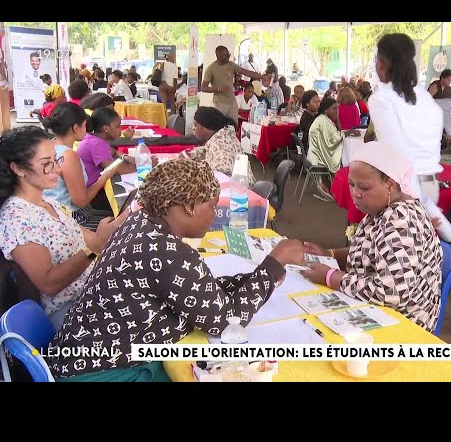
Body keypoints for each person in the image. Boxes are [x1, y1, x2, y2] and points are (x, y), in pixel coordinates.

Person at [47, 158, 305, 381]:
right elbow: (226, 322)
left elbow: (197, 291)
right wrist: (274, 262)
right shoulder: (168, 254)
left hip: (79, 354)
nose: (215, 214)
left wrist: (253, 279)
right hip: (103, 372)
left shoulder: (140, 222)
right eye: (212, 206)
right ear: (190, 206)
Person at [302, 141, 443, 331]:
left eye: (364, 188)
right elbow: (372, 250)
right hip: (376, 305)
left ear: (390, 185)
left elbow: (391, 292)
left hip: (402, 323)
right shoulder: (383, 207)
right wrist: (330, 254)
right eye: (351, 185)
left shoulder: (401, 221)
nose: (355, 194)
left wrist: (331, 277)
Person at [0, 126, 128, 330]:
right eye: (46, 164)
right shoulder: (17, 219)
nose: (57, 170)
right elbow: (49, 284)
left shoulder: (48, 202)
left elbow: (86, 236)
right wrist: (94, 248)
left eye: (55, 160)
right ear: (18, 169)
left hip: (93, 291)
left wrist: (123, 225)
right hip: (72, 313)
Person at [368, 33, 444, 204]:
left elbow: (396, 155)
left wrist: (420, 203)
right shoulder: (425, 97)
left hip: (405, 190)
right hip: (430, 186)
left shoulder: (382, 99)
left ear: (382, 63)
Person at [41, 103, 118, 227]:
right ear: (76, 128)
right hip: (72, 218)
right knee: (123, 222)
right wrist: (104, 176)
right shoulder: (69, 156)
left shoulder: (51, 145)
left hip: (54, 213)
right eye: (84, 125)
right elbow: (81, 200)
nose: (87, 130)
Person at [187, 106, 256, 186]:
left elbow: (222, 171)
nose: (193, 128)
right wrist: (191, 154)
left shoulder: (221, 144)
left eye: (195, 125)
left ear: (207, 127)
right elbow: (209, 152)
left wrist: (197, 170)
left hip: (239, 190)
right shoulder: (222, 136)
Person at [307, 98, 360, 200]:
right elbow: (333, 140)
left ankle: (329, 185)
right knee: (346, 159)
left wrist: (337, 119)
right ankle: (343, 189)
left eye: (337, 109)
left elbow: (337, 132)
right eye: (334, 109)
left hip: (314, 152)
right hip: (317, 156)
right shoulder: (323, 121)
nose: (336, 111)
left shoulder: (324, 119)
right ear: (326, 110)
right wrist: (350, 132)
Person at [201, 46, 262, 123]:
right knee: (220, 126)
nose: (228, 57)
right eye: (226, 55)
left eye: (228, 54)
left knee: (234, 125)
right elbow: (203, 88)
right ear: (218, 55)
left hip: (232, 101)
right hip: (220, 103)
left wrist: (261, 76)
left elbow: (246, 72)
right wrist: (218, 88)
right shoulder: (211, 69)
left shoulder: (231, 65)